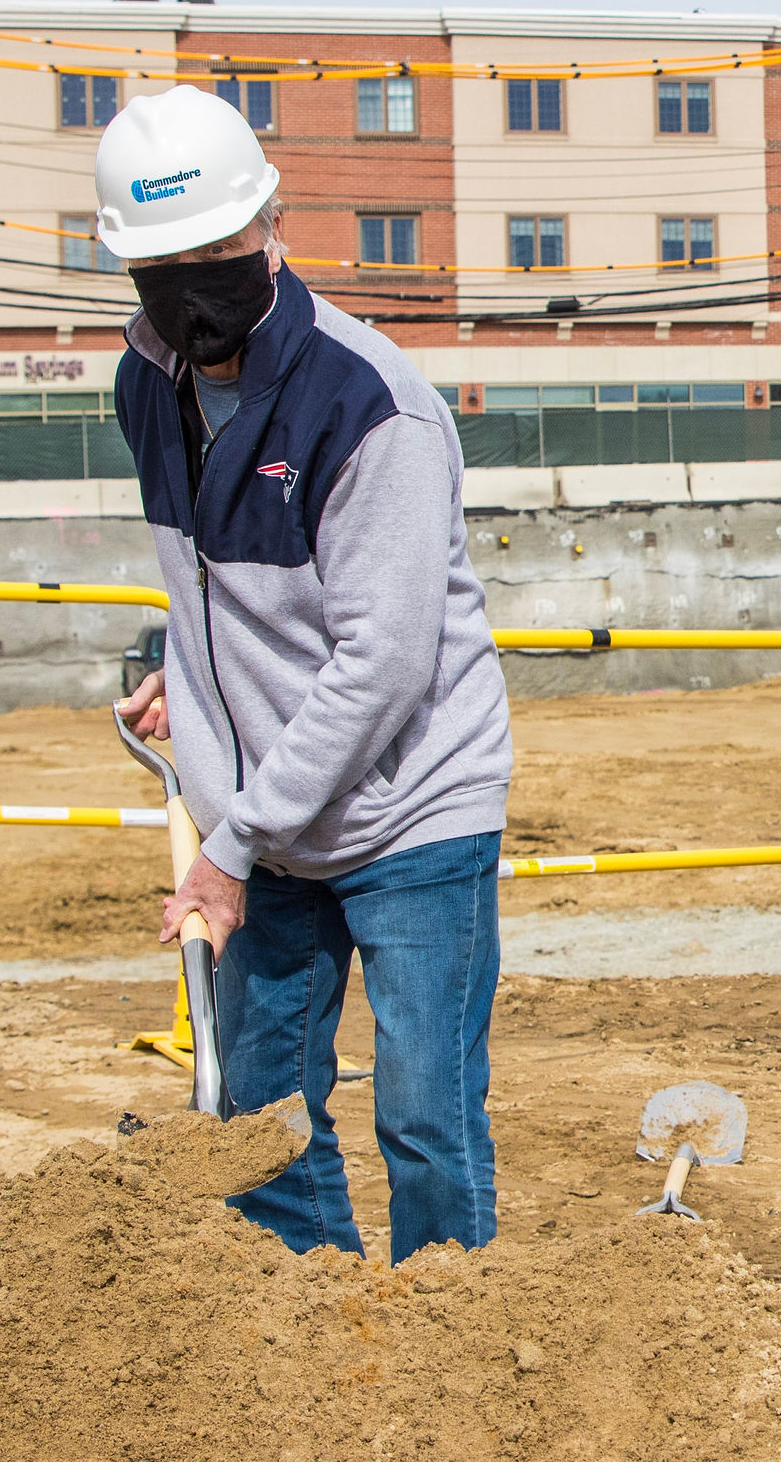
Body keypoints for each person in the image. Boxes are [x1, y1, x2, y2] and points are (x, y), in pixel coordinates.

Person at [96, 85, 516, 1262]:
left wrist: (230, 844)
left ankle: (448, 1330)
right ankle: (311, 1325)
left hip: (411, 807)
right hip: (270, 817)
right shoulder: (147, 384)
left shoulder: (370, 405)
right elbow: (205, 583)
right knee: (261, 1109)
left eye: (215, 252)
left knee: (424, 1113)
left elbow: (385, 660)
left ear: (271, 228)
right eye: (162, 264)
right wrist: (199, 674)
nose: (193, 285)